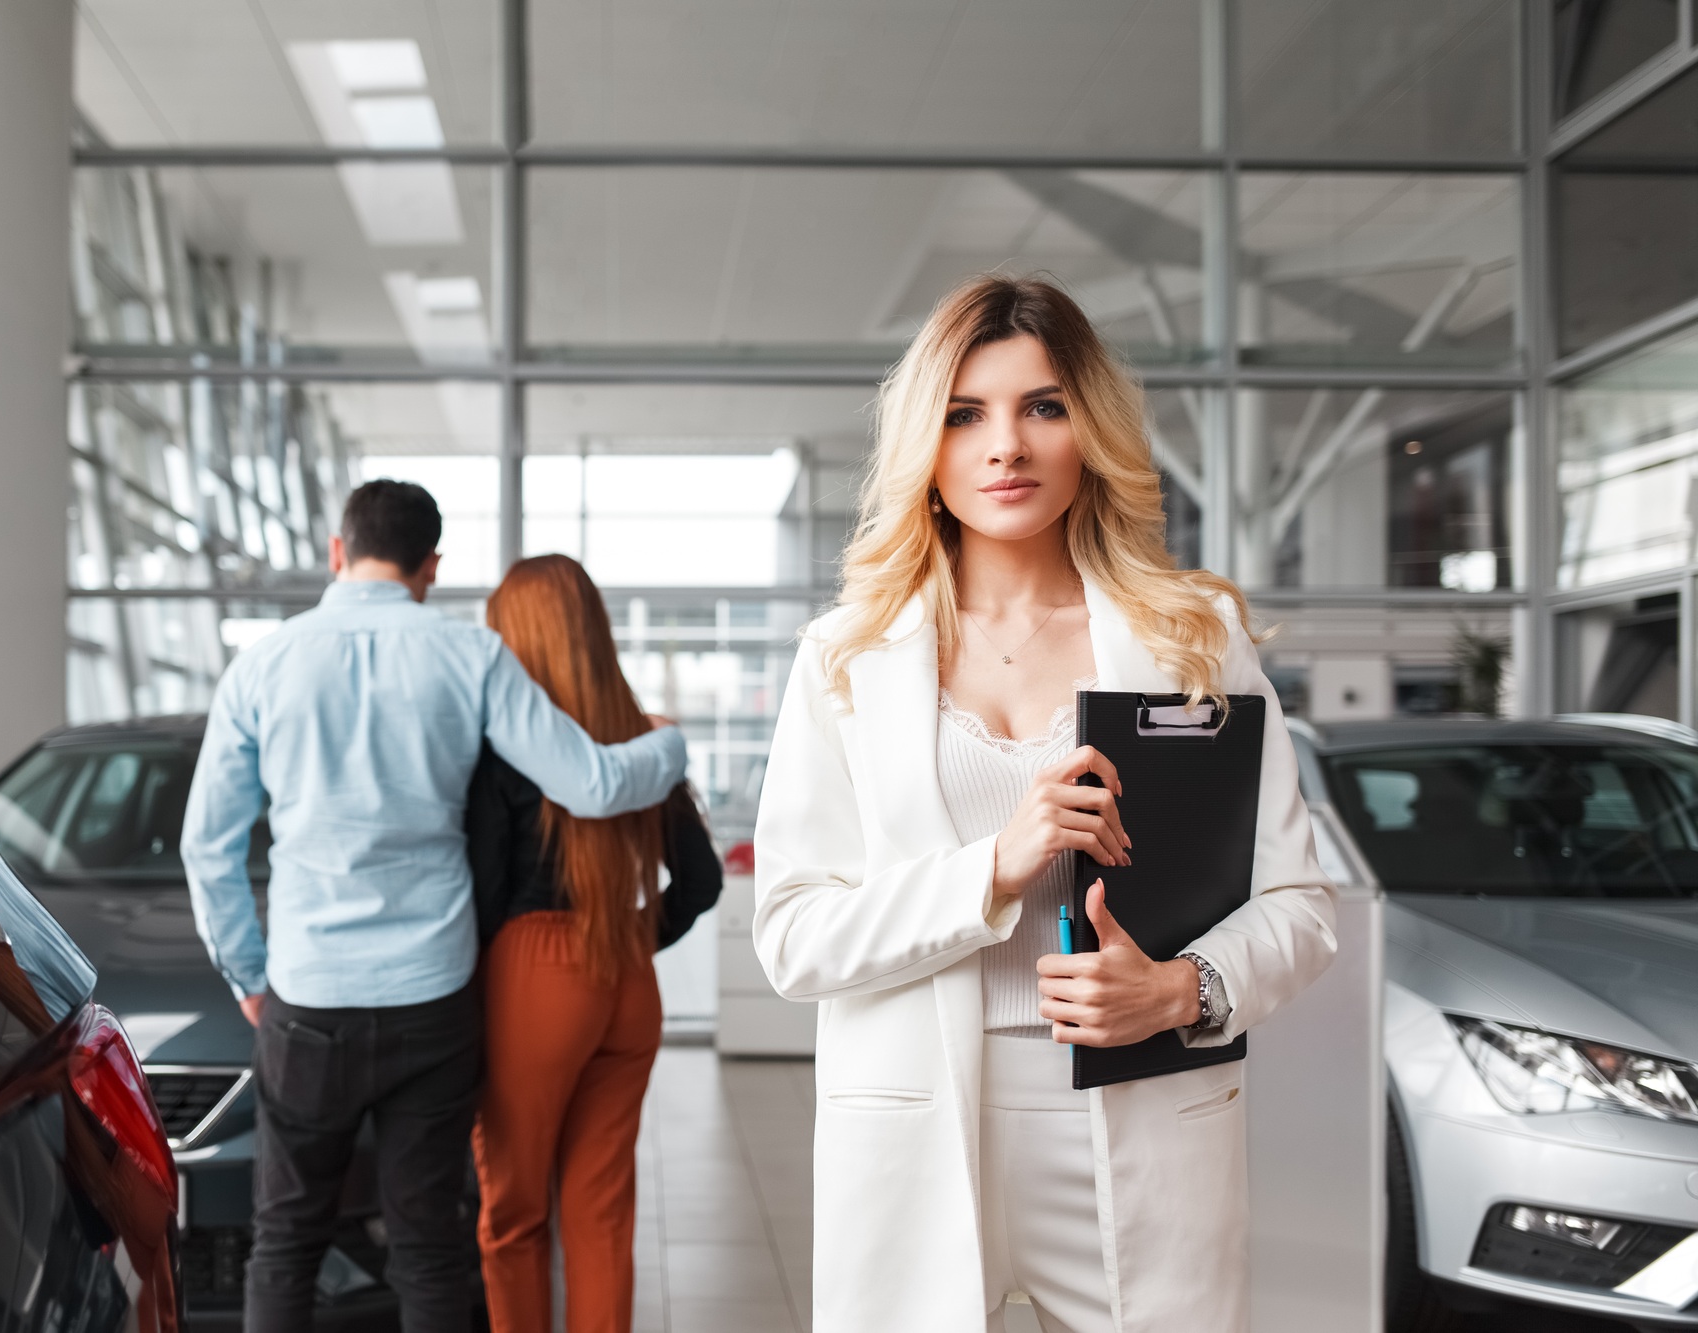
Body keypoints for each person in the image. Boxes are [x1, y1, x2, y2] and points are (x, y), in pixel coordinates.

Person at [750, 276, 1337, 1333]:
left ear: (1089, 430)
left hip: (1143, 1112)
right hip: (917, 1128)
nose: (1004, 446)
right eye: (965, 413)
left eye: (1042, 407)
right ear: (924, 448)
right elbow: (792, 938)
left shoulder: (1189, 636)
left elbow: (1299, 904)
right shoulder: (844, 657)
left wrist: (1178, 991)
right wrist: (992, 867)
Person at [181, 481, 690, 1333]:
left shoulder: (263, 663)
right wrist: (669, 744)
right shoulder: (469, 656)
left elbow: (209, 846)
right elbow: (593, 785)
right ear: (432, 566)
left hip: (309, 1000)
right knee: (427, 1245)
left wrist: (249, 976)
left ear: (338, 552)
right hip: (431, 1000)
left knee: (284, 1242)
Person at [463, 554, 723, 1333]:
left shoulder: (504, 746)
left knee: (512, 1214)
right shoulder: (642, 741)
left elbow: (481, 890)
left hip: (529, 978)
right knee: (601, 1212)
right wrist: (627, 935)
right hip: (626, 977)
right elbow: (702, 880)